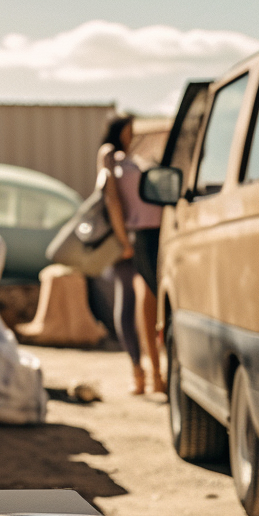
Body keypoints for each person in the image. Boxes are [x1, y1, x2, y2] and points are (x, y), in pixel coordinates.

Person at [99, 115, 165, 395]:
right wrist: (123, 239)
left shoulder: (134, 156)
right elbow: (110, 197)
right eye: (129, 128)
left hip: (150, 232)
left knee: (145, 300)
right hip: (133, 235)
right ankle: (144, 372)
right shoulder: (109, 154)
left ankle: (150, 373)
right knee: (135, 299)